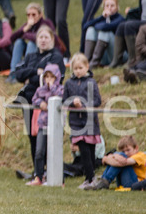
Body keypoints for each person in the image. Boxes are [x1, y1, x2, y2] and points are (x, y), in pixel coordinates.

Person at [13, 25, 65, 176]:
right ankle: (37, 171)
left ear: (52, 39)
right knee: (32, 135)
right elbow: (18, 74)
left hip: (46, 103)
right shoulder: (30, 56)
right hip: (29, 101)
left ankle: (49, 170)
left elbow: (54, 78)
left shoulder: (56, 57)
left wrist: (31, 77)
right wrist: (36, 71)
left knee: (47, 136)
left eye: (46, 37)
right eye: (40, 37)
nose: (43, 40)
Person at [63, 54, 102, 189]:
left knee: (91, 151)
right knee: (83, 151)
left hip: (90, 121)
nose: (78, 71)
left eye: (80, 68)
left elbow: (97, 100)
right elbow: (64, 100)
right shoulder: (68, 83)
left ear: (87, 67)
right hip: (76, 123)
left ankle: (90, 178)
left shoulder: (92, 82)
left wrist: (84, 105)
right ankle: (90, 177)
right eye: (75, 68)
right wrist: (73, 103)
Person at [28, 63, 64, 186]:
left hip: (56, 126)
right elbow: (34, 99)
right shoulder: (40, 90)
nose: (49, 80)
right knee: (39, 151)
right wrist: (41, 103)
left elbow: (60, 97)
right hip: (43, 124)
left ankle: (57, 178)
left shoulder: (60, 89)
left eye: (52, 77)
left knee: (54, 152)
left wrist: (52, 87)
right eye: (46, 77)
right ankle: (38, 176)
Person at [7, 3, 60, 74]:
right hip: (34, 53)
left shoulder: (46, 23)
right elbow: (12, 38)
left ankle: (27, 70)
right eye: (28, 15)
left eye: (33, 14)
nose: (31, 17)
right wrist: (25, 29)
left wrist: (25, 34)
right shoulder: (28, 25)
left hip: (46, 52)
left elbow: (37, 38)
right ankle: (13, 72)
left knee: (31, 43)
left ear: (40, 14)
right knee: (19, 42)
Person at [83, 0, 123, 67]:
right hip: (104, 56)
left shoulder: (120, 19)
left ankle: (94, 63)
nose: (109, 8)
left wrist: (98, 25)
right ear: (104, 7)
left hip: (117, 55)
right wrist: (101, 17)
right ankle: (86, 61)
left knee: (105, 32)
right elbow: (85, 26)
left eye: (112, 6)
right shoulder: (103, 18)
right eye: (107, 6)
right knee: (90, 30)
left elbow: (105, 27)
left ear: (117, 7)